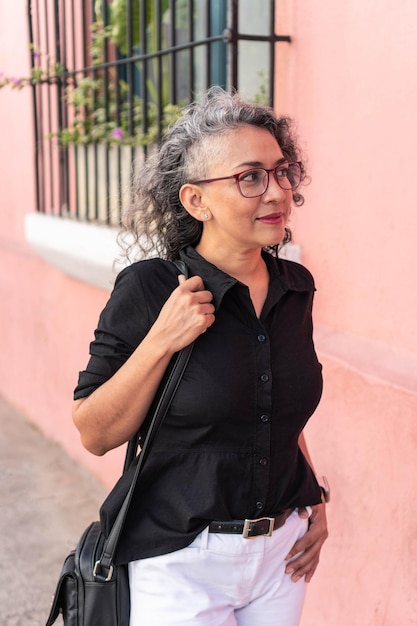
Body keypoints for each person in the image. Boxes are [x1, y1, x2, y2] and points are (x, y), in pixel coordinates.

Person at [72, 86, 328, 626]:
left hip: (281, 554)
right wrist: (163, 338)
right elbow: (94, 432)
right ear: (196, 201)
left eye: (282, 172)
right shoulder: (150, 289)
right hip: (180, 560)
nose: (277, 192)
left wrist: (313, 496)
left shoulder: (294, 288)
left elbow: (273, 410)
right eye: (250, 177)